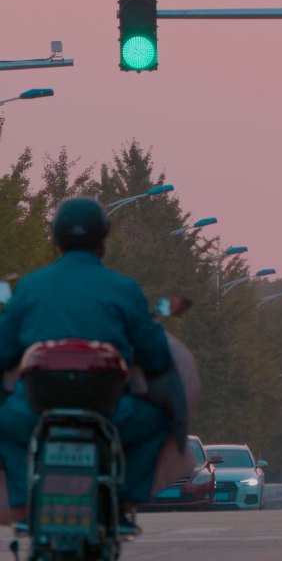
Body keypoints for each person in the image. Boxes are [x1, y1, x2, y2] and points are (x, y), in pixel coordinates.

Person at [0, 197, 174, 525]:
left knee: (4, 426)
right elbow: (156, 357)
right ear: (102, 240)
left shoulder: (29, 287)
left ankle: (24, 500)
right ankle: (123, 503)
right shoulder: (123, 289)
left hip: (34, 412)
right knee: (159, 422)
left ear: (56, 239)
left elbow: (3, 350)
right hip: (110, 413)